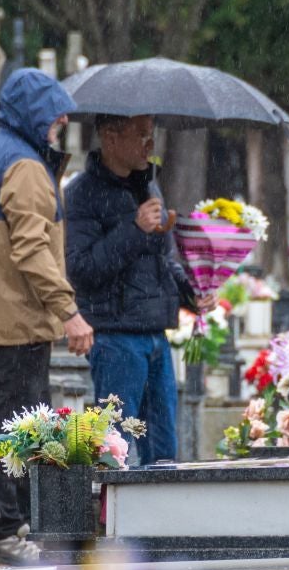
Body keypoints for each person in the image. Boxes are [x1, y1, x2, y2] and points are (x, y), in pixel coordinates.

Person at [0, 70, 94, 564]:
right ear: (32, 113)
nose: (62, 119)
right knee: (15, 423)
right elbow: (32, 248)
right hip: (19, 313)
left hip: (5, 310)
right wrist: (69, 311)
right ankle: (4, 531)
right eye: (54, 111)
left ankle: (13, 527)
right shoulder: (23, 166)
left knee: (15, 417)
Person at [64, 114, 205, 464]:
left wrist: (194, 293)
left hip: (156, 333)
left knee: (164, 447)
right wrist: (134, 227)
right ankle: (115, 518)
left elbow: (163, 259)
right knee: (118, 448)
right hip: (115, 339)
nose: (150, 144)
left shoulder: (149, 187)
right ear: (110, 137)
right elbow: (81, 270)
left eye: (151, 134)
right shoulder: (81, 194)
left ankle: (165, 517)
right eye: (141, 135)